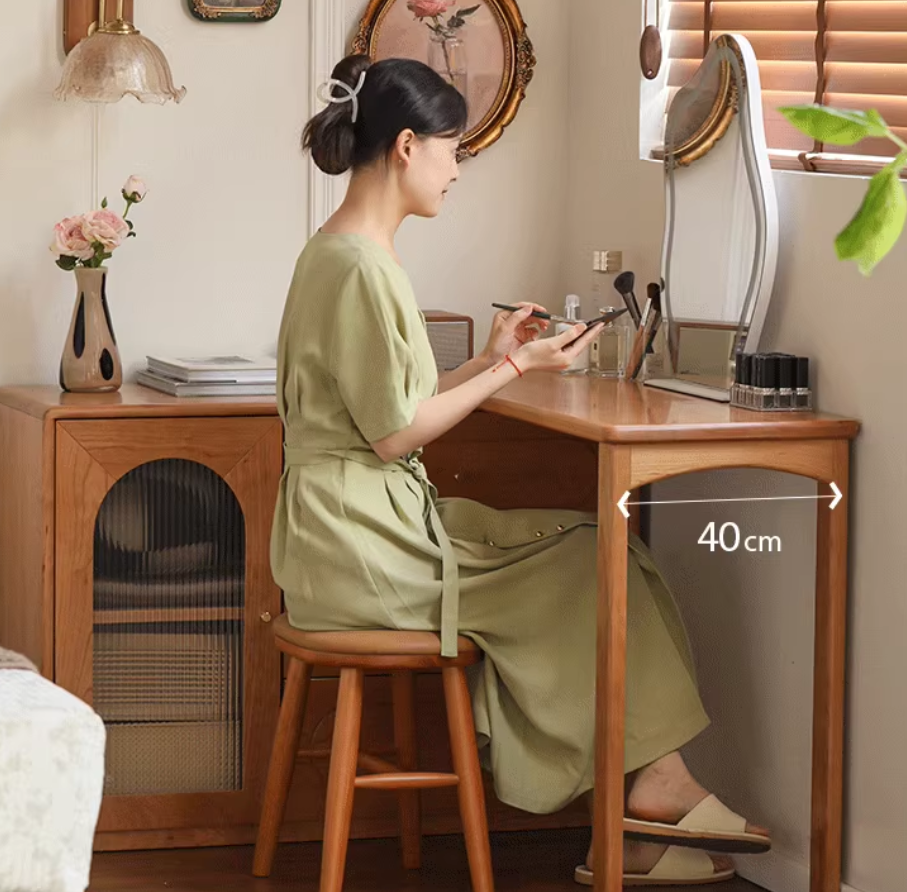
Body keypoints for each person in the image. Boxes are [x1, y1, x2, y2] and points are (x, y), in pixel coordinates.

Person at [270, 52, 770, 887]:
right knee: (590, 559)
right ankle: (654, 794)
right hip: (359, 545)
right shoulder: (360, 266)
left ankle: (647, 814)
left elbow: (389, 408)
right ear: (404, 147)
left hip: (355, 523)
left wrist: (498, 359)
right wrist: (514, 372)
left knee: (605, 553)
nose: (456, 170)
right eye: (451, 149)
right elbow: (394, 436)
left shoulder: (344, 251)